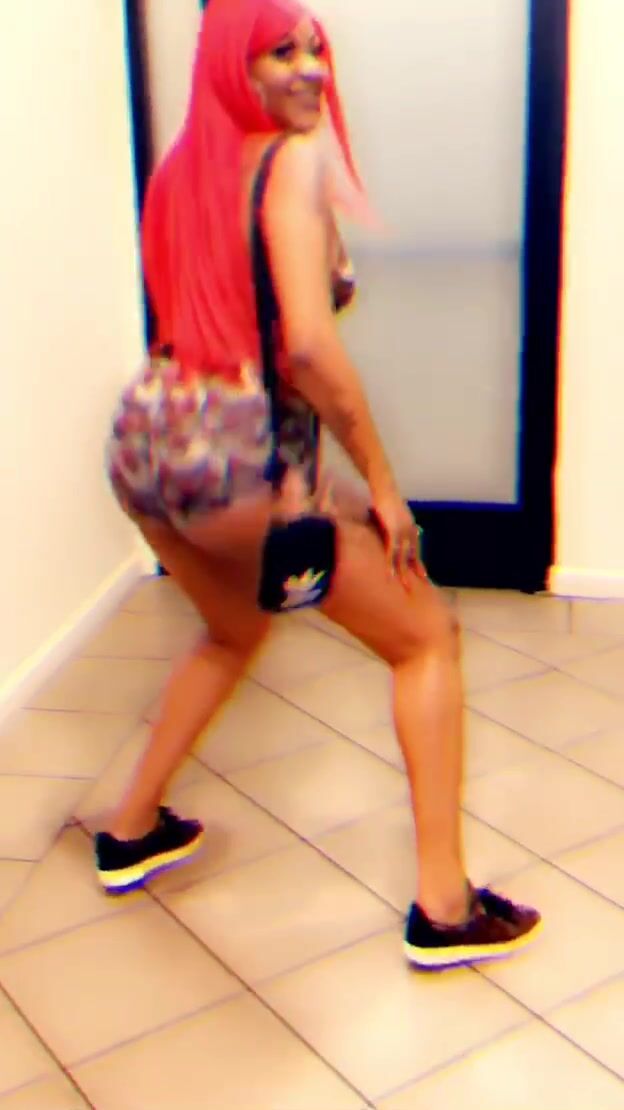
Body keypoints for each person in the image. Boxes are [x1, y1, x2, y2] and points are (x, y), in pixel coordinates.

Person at [97, 0, 541, 970]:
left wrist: (320, 483)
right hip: (240, 459)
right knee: (427, 638)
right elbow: (303, 348)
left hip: (151, 440)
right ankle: (445, 907)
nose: (310, 70)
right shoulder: (290, 165)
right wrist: (381, 484)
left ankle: (130, 830)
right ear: (235, 66)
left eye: (315, 49)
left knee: (233, 629)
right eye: (279, 53)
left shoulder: (182, 171)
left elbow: (224, 335)